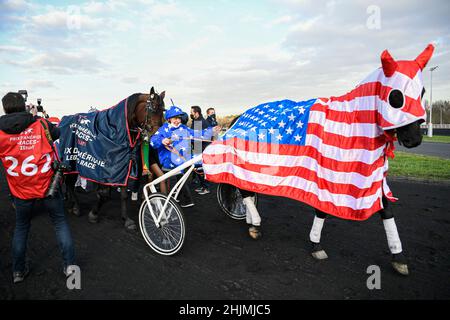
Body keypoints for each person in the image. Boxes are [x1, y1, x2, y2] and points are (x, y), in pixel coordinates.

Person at [0, 92, 76, 283]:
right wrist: (35, 116)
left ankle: (18, 271)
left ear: (4, 108)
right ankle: (70, 268)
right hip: (47, 186)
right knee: (60, 224)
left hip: (20, 190)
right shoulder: (40, 123)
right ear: (24, 105)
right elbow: (57, 133)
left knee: (22, 227)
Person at [151, 106, 220, 207]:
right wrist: (162, 140)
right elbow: (153, 140)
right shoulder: (163, 129)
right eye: (175, 118)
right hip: (168, 165)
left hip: (182, 164)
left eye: (179, 118)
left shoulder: (184, 128)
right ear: (169, 119)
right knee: (171, 184)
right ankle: (166, 203)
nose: (177, 120)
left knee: (181, 181)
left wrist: (212, 130)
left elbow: (197, 134)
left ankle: (182, 199)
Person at [190, 106, 212, 195]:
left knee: (201, 169)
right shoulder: (196, 121)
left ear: (196, 113)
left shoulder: (200, 122)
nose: (190, 114)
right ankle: (203, 186)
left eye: (191, 112)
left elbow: (198, 137)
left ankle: (206, 188)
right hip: (198, 147)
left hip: (201, 148)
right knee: (198, 169)